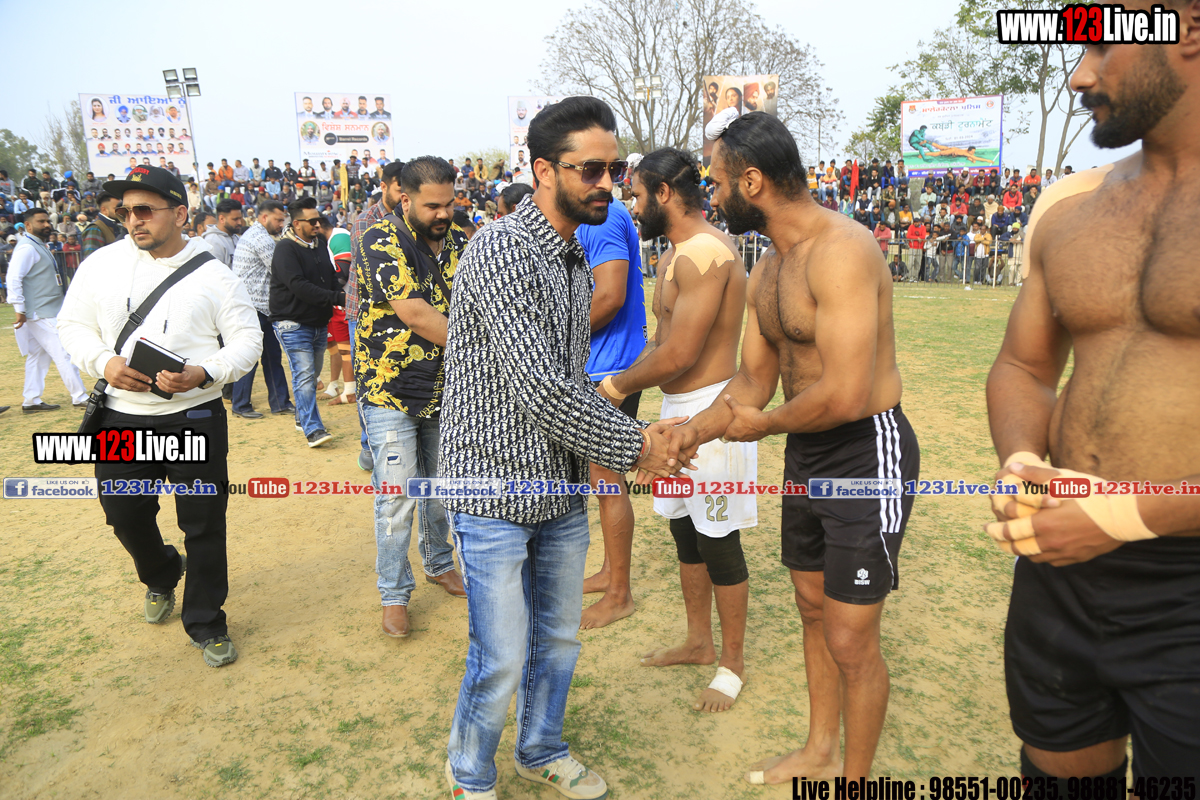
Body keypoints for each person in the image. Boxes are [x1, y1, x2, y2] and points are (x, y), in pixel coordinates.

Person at [439, 96, 685, 800]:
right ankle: (469, 774)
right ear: (544, 170)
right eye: (592, 170)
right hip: (490, 487)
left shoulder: (575, 254)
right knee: (500, 654)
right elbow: (540, 388)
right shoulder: (499, 250)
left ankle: (541, 747)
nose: (609, 183)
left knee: (559, 641)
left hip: (558, 485)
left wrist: (630, 440)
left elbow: (566, 382)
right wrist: (637, 444)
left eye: (615, 169)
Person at [665, 112, 920, 783]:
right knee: (812, 609)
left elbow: (846, 392)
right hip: (808, 453)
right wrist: (690, 434)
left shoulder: (844, 250)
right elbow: (752, 381)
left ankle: (853, 782)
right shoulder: (768, 270)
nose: (713, 194)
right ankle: (819, 748)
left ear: (752, 181)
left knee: (850, 637)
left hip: (865, 451)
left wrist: (766, 425)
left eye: (718, 182)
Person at [985, 15, 1200, 782]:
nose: (1079, 74)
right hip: (1060, 571)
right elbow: (1022, 365)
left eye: (1101, 42)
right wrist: (1020, 458)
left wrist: (1127, 515)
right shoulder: (1069, 207)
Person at [57, 165, 262, 668]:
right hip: (121, 419)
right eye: (125, 211)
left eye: (145, 210)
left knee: (204, 524)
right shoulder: (100, 265)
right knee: (123, 513)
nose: (133, 220)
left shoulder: (214, 274)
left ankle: (207, 622)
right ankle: (161, 573)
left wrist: (204, 372)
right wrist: (104, 362)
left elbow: (247, 340)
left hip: (193, 418)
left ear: (180, 214)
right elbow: (72, 325)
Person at [600, 147, 756, 711]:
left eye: (637, 195)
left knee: (719, 541)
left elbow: (683, 352)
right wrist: (625, 396)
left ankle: (731, 663)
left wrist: (613, 387)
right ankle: (697, 641)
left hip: (710, 412)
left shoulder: (706, 253)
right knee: (685, 533)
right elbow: (660, 344)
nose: (632, 206)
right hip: (675, 409)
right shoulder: (674, 255)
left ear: (664, 192)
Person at [356, 156, 467, 640]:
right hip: (390, 391)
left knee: (440, 488)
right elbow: (416, 314)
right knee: (397, 497)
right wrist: (483, 349)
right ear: (405, 199)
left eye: (449, 203)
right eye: (432, 206)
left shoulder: (459, 240)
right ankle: (394, 593)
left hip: (445, 389)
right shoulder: (379, 240)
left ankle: (440, 563)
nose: (443, 214)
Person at [574, 171, 648, 630]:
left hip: (610, 368)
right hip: (602, 363)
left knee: (606, 475)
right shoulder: (595, 215)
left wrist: (556, 335)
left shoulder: (601, 218)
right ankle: (609, 573)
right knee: (600, 476)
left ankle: (620, 593)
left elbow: (610, 296)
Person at [345, 160, 406, 471]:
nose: (405, 195)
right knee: (369, 378)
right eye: (399, 188)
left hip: (401, 308)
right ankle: (368, 445)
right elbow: (375, 272)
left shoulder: (409, 217)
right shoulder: (366, 221)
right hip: (365, 311)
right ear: (384, 187)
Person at [270, 196, 344, 447]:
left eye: (319, 219)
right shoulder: (285, 249)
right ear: (297, 223)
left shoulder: (319, 243)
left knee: (311, 376)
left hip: (318, 322)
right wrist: (337, 297)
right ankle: (314, 429)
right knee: (304, 376)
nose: (318, 224)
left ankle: (302, 417)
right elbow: (299, 286)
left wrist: (340, 295)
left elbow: (330, 277)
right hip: (291, 322)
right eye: (312, 221)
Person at [8, 207, 88, 412]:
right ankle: (80, 396)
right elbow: (13, 278)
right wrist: (19, 308)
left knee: (38, 356)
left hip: (45, 309)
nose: (46, 225)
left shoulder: (38, 244)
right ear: (28, 225)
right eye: (41, 222)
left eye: (47, 221)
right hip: (40, 311)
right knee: (63, 352)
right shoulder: (27, 248)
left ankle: (31, 400)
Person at [231, 200, 293, 418]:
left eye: (283, 220)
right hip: (254, 308)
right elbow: (281, 272)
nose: (281, 224)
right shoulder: (261, 239)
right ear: (264, 217)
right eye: (278, 220)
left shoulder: (255, 235)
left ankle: (278, 402)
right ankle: (242, 405)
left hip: (258, 307)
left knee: (270, 356)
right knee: (253, 357)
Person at [80, 191, 126, 261]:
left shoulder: (118, 225)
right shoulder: (95, 228)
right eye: (116, 209)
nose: (120, 211)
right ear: (104, 210)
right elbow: (91, 260)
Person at [202, 199, 242, 267]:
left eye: (240, 218)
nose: (239, 223)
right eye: (235, 219)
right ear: (222, 219)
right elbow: (215, 271)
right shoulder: (212, 241)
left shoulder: (236, 237)